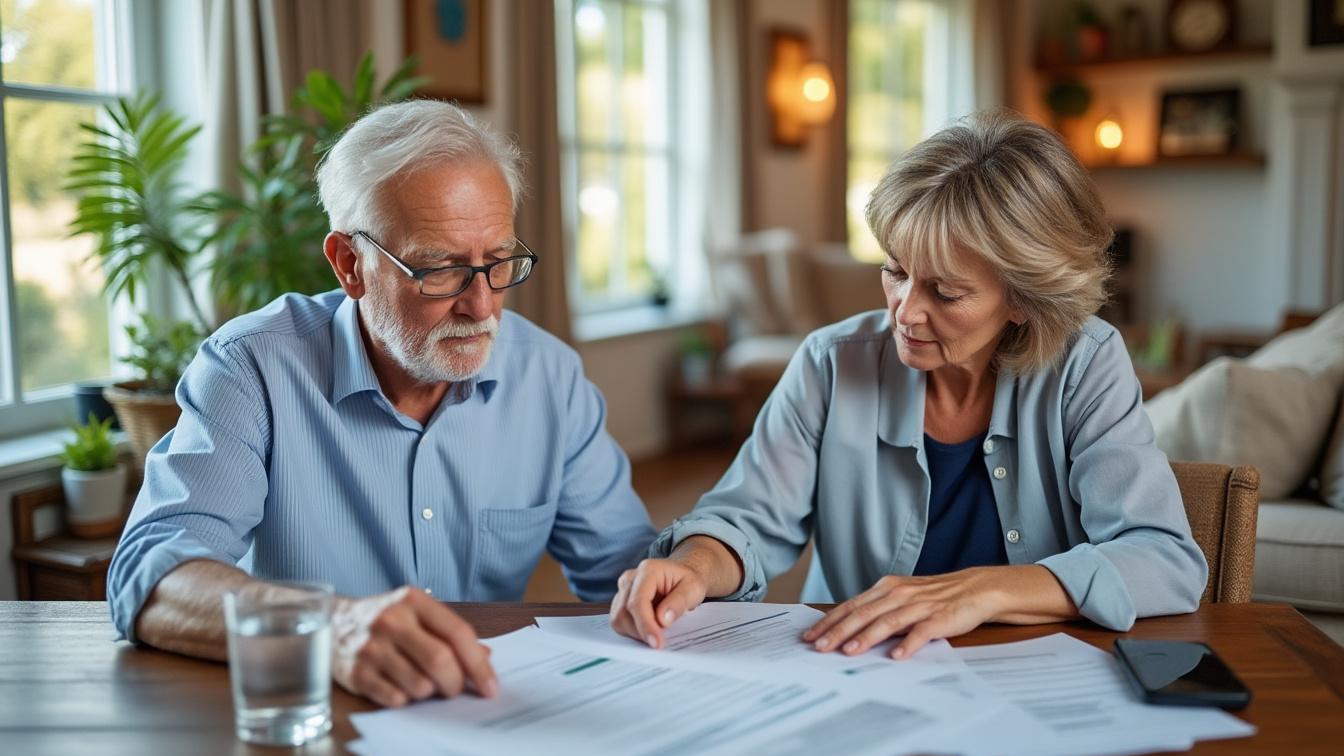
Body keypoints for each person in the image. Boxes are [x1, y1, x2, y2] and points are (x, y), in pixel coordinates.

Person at [108, 100, 656, 708]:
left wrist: (689, 570)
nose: (481, 306)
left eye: (498, 262)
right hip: (311, 713)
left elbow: (629, 573)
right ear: (350, 265)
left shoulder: (548, 377)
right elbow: (150, 575)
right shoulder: (252, 367)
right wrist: (331, 628)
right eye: (440, 268)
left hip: (491, 714)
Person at [610, 111, 1206, 658]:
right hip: (861, 669)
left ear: (1024, 300)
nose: (904, 311)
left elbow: (1163, 559)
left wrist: (984, 591)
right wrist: (694, 563)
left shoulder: (1086, 364)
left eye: (945, 292)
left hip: (1036, 674)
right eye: (895, 271)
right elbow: (747, 521)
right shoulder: (831, 362)